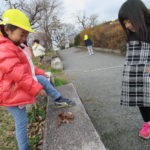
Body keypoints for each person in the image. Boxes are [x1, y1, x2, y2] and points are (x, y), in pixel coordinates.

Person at [0, 9, 75, 150]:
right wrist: (36, 88)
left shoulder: (15, 45)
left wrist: (41, 73)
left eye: (26, 36)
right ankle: (24, 148)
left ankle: (58, 99)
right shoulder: (3, 48)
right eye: (22, 34)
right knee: (21, 122)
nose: (24, 39)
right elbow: (17, 73)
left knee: (41, 78)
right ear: (7, 30)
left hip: (16, 87)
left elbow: (28, 67)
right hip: (10, 94)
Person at [119, 0, 150, 139]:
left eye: (129, 21)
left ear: (139, 15)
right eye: (124, 23)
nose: (127, 25)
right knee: (141, 100)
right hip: (137, 74)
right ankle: (148, 123)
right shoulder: (131, 34)